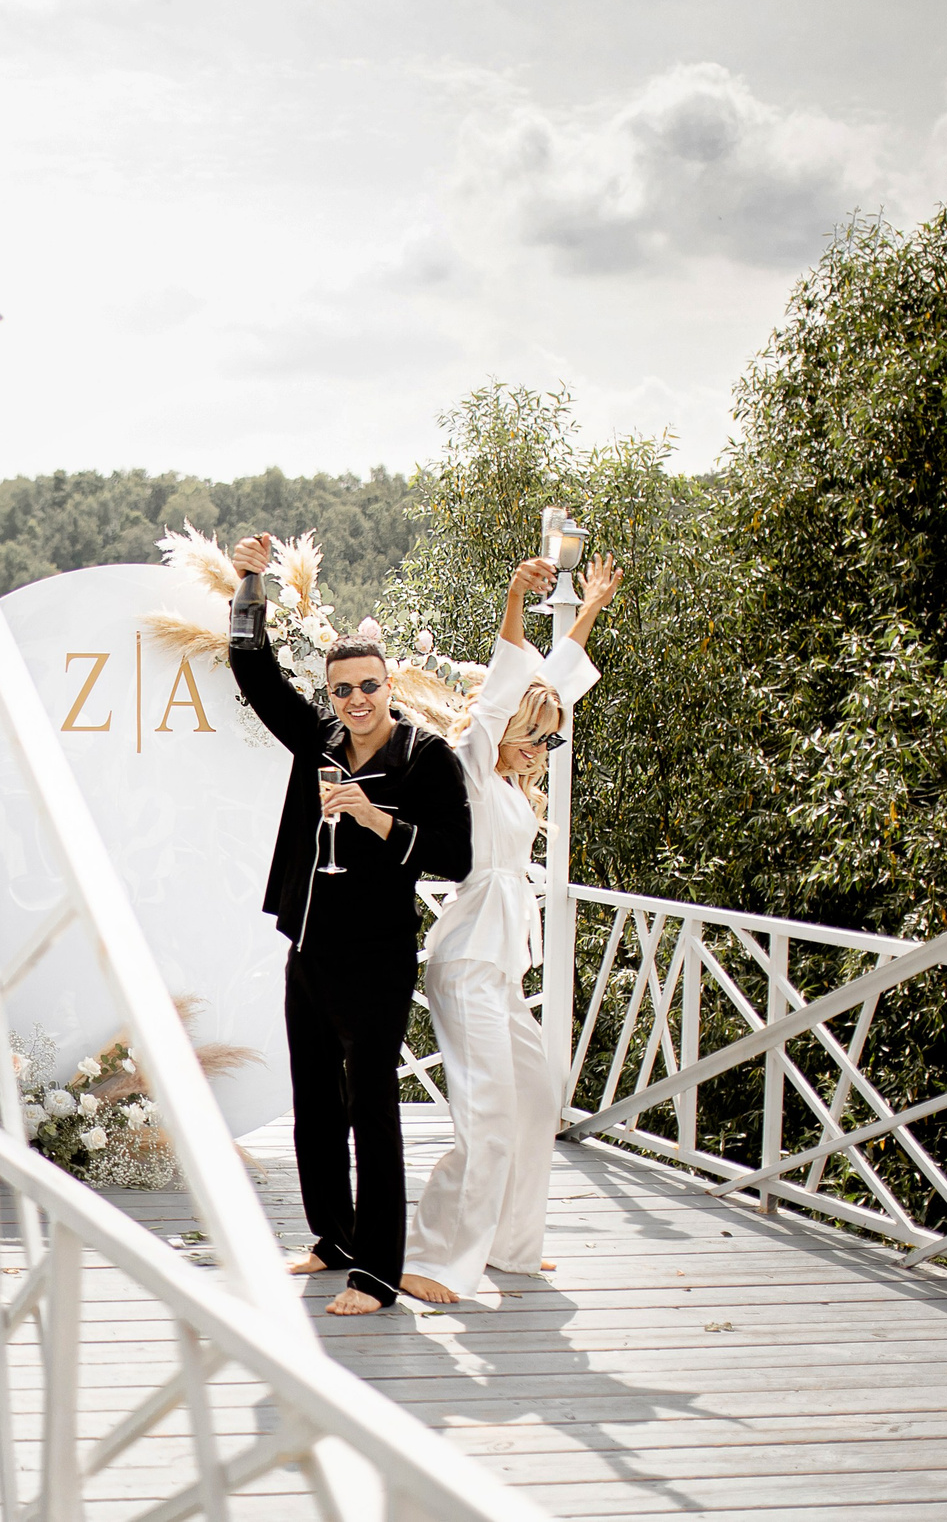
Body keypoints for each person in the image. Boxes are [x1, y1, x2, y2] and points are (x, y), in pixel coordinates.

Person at [226, 533, 472, 1316]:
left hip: (377, 960)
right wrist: (249, 582)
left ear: (388, 683)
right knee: (316, 1103)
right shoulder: (322, 739)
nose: (355, 701)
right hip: (311, 949)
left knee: (373, 1108)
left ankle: (377, 1273)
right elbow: (254, 673)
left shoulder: (425, 758)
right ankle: (333, 1237)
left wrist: (376, 819)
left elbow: (459, 856)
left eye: (368, 686)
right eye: (342, 690)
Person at [400, 551, 622, 1306]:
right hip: (464, 960)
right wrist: (512, 599)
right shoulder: (467, 764)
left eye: (549, 742)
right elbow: (508, 688)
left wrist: (589, 607)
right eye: (534, 738)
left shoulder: (512, 778)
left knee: (537, 1093)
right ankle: (433, 1256)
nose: (540, 750)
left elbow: (549, 689)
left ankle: (511, 1245)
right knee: (488, 1113)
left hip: (502, 965)